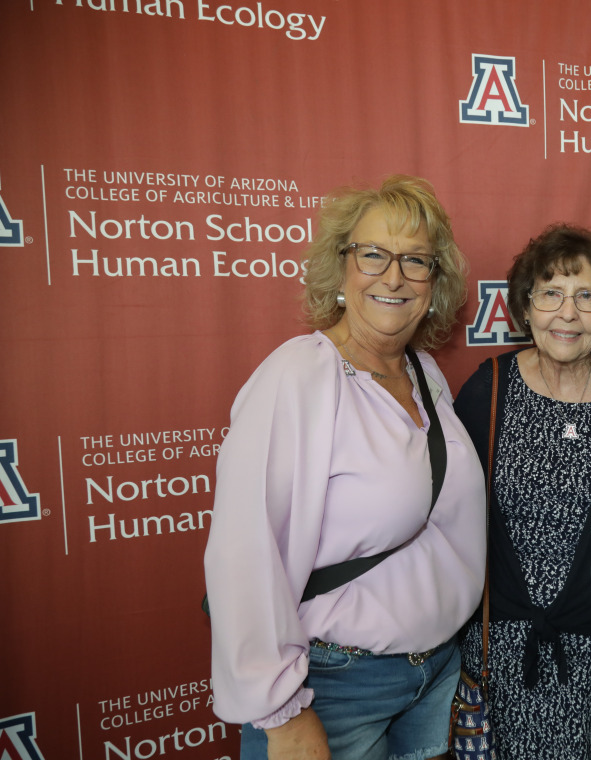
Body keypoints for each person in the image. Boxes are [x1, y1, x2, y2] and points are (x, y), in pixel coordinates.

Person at [203, 175, 486, 760]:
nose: (393, 276)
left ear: (435, 284)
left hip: (435, 678)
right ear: (342, 268)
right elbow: (243, 553)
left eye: (415, 261)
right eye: (373, 254)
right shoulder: (299, 375)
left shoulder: (424, 373)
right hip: (333, 690)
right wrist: (280, 714)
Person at [453, 223, 591, 760]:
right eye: (551, 293)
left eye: (586, 296)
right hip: (515, 661)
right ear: (525, 308)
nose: (568, 313)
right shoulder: (486, 392)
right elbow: (456, 526)